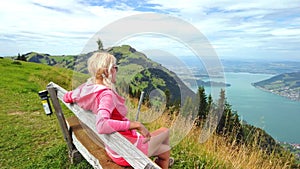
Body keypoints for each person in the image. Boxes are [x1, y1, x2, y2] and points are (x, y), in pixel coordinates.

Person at [63, 52, 173, 169]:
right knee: (165, 139)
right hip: (125, 152)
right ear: (107, 71)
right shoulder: (106, 95)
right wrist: (136, 125)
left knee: (162, 145)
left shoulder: (87, 89)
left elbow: (66, 97)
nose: (116, 70)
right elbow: (102, 125)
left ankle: (158, 160)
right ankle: (160, 161)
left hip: (112, 147)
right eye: (115, 68)